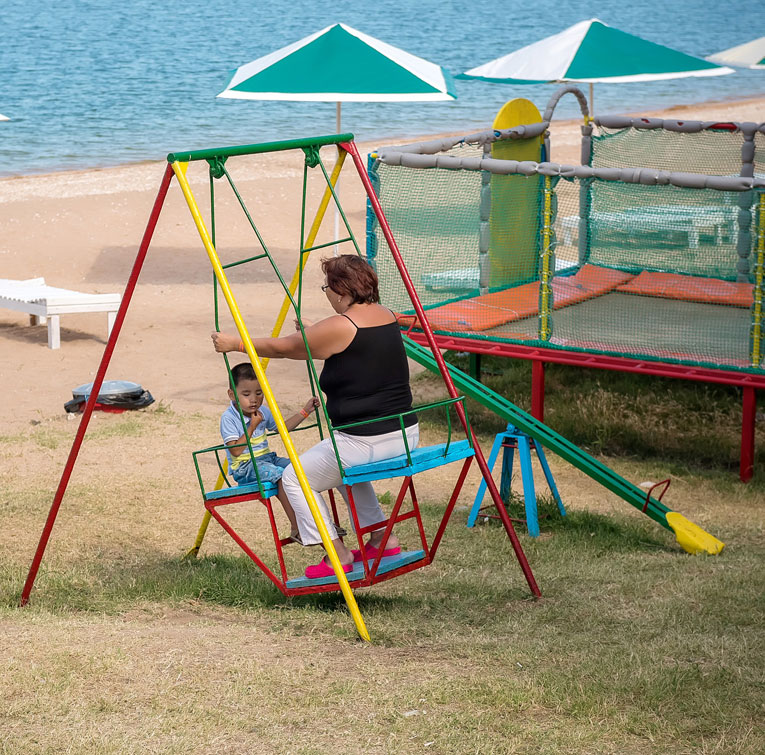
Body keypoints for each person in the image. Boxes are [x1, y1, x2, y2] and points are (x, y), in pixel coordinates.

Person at [212, 254, 418, 579]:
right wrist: (314, 330)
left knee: (295, 478)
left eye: (326, 287)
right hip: (404, 434)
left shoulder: (342, 325)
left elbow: (283, 348)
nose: (326, 294)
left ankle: (337, 554)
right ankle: (382, 538)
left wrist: (236, 343)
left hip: (366, 440)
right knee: (344, 473)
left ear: (339, 290)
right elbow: (349, 348)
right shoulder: (385, 316)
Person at [220, 361, 319, 543]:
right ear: (232, 395)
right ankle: (297, 527)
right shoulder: (229, 418)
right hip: (245, 467)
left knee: (301, 468)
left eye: (259, 393)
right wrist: (252, 426)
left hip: (266, 459)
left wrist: (305, 412)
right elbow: (235, 450)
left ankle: (318, 521)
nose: (254, 399)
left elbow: (283, 428)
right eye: (246, 394)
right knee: (281, 476)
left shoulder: (263, 411)